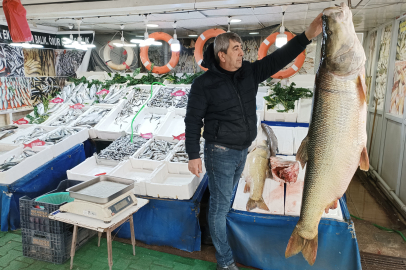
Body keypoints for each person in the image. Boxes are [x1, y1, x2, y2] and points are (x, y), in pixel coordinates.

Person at [185, 14, 323, 270]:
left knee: (223, 204)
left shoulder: (247, 72)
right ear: (221, 56)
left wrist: (306, 36)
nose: (241, 52)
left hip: (242, 152)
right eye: (236, 49)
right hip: (219, 153)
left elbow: (276, 59)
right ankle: (225, 262)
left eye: (241, 48)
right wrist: (193, 154)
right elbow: (192, 121)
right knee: (219, 208)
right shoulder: (203, 85)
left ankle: (223, 248)